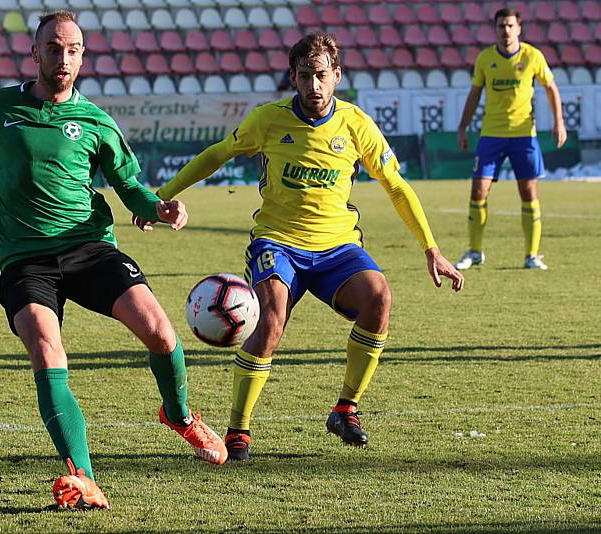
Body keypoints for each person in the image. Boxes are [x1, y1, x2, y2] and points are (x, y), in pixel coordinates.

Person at [0, 11, 227, 510]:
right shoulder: (0, 108)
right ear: (35, 54)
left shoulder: (96, 121)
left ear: (82, 56)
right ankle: (84, 478)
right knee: (47, 349)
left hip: (90, 247)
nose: (62, 58)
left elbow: (127, 183)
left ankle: (179, 416)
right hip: (26, 260)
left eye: (72, 50)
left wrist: (156, 207)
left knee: (160, 332)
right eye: (53, 48)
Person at [136, 32, 464, 460]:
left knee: (379, 298)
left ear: (337, 76)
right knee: (269, 322)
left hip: (338, 246)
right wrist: (162, 196)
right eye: (305, 76)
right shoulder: (267, 120)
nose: (314, 86)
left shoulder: (357, 124)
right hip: (278, 242)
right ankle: (238, 431)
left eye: (322, 76)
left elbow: (397, 187)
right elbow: (216, 155)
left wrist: (430, 248)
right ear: (293, 77)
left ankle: (346, 409)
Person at [455, 7, 567, 271]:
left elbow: (551, 87)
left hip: (523, 134)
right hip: (491, 134)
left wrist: (559, 122)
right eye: (500, 26)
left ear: (518, 28)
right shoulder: (485, 59)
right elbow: (474, 94)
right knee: (478, 191)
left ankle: (532, 255)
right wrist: (463, 127)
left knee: (528, 192)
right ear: (495, 29)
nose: (505, 30)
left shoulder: (532, 56)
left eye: (509, 26)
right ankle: (475, 251)